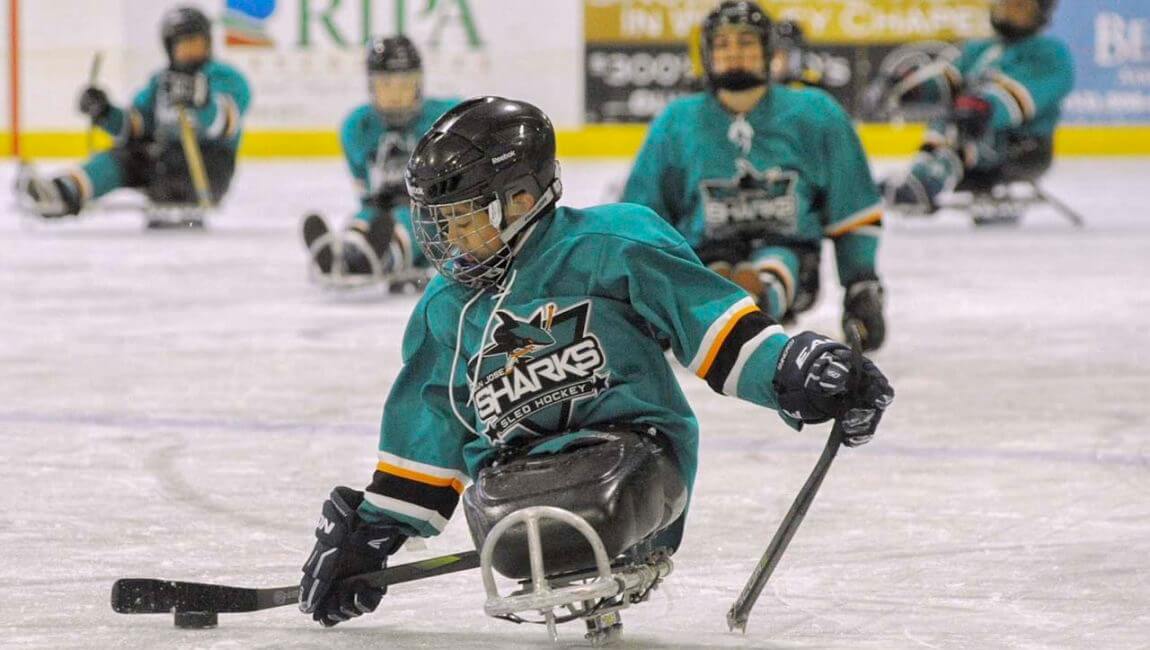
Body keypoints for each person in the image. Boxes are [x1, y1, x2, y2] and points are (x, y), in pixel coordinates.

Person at [296, 95, 894, 627]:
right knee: (516, 527)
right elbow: (431, 429)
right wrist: (372, 534)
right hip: (514, 478)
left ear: (522, 198)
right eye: (444, 224)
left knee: (596, 500)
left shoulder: (614, 241)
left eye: (465, 220)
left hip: (634, 453)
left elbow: (717, 331)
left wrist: (795, 369)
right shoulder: (444, 309)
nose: (450, 242)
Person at [622, 1, 887, 352]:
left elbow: (851, 205)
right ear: (707, 54)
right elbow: (643, 215)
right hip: (703, 250)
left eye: (745, 43)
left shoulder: (816, 113)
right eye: (723, 45)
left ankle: (745, 297)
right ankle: (717, 293)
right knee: (705, 271)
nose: (734, 54)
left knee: (776, 266)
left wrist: (861, 284)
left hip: (790, 248)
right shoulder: (677, 121)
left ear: (769, 51)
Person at [15, 6, 251, 225]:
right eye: (182, 42)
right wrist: (105, 112)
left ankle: (180, 202)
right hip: (164, 159)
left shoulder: (225, 77)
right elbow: (135, 126)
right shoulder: (161, 81)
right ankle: (64, 192)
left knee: (170, 184)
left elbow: (225, 121)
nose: (189, 48)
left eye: (195, 41)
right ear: (170, 47)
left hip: (207, 167)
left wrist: (202, 105)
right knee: (121, 157)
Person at [879, 0, 1073, 215]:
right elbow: (949, 78)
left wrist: (984, 106)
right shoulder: (980, 48)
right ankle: (921, 174)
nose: (1009, 12)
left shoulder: (1051, 53)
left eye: (1020, 6)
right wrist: (914, 87)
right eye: (1005, 4)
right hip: (975, 131)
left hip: (1023, 147)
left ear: (1041, 14)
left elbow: (1028, 94)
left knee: (963, 125)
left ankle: (927, 183)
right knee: (950, 121)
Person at [302, 35, 457, 287]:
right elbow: (367, 194)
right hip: (385, 208)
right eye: (386, 85)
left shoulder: (446, 119)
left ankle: (379, 258)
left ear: (419, 84)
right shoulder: (358, 126)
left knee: (412, 223)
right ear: (371, 87)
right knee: (367, 215)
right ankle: (344, 252)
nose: (395, 95)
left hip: (435, 217)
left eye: (403, 85)